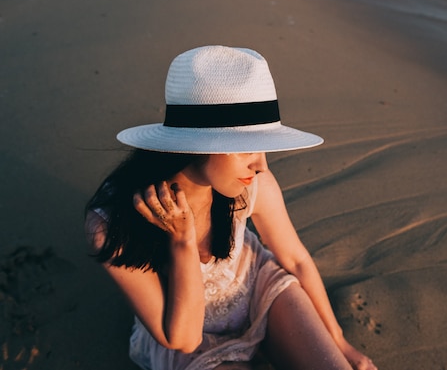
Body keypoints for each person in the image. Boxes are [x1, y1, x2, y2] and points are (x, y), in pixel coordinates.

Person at [84, 46, 377, 370]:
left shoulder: (250, 185)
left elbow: (295, 259)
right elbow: (183, 339)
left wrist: (339, 342)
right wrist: (182, 241)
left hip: (258, 290)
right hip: (190, 335)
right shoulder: (111, 225)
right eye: (247, 149)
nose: (261, 166)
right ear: (196, 144)